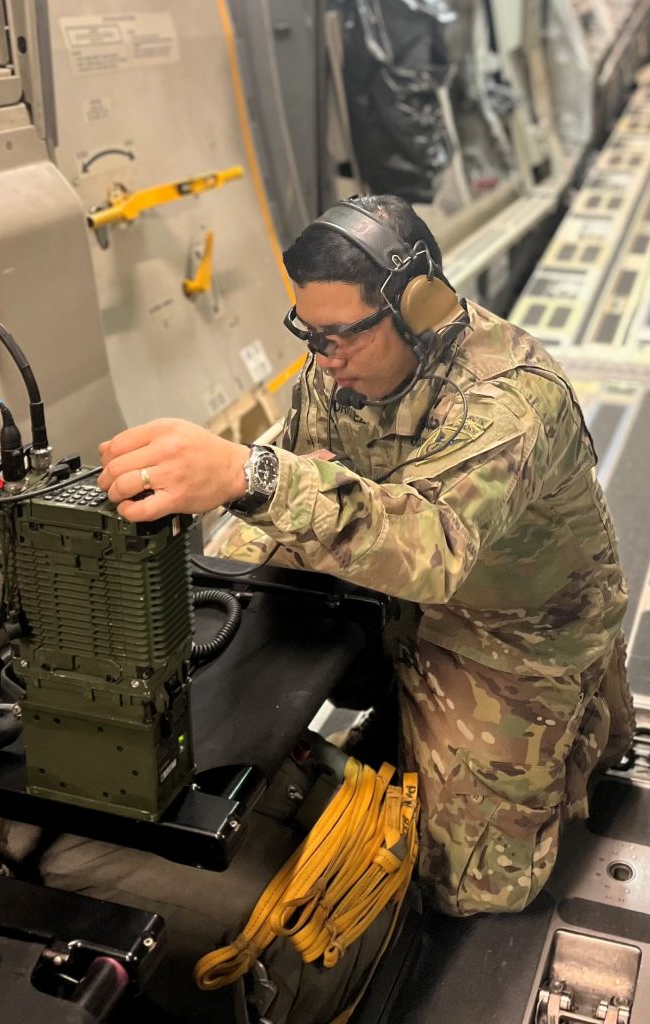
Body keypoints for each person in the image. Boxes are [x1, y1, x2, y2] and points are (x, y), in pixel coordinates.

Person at [97, 194, 635, 917]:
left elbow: (433, 551)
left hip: (512, 633)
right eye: (309, 334)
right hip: (401, 600)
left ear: (420, 309)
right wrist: (220, 581)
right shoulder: (336, 370)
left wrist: (246, 475)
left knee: (466, 888)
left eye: (342, 336)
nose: (323, 359)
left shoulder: (506, 405)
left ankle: (580, 717)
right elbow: (307, 477)